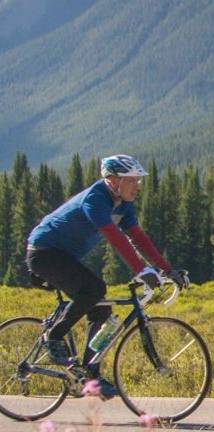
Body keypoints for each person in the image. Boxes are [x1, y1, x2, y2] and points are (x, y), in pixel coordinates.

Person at [26, 155, 185, 399]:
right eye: (133, 180)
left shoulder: (123, 205)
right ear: (113, 181)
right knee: (94, 290)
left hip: (63, 255)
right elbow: (114, 236)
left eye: (138, 181)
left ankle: (91, 375)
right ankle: (54, 337)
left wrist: (167, 269)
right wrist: (142, 271)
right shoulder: (96, 198)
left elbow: (138, 237)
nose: (138, 186)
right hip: (44, 252)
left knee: (100, 309)